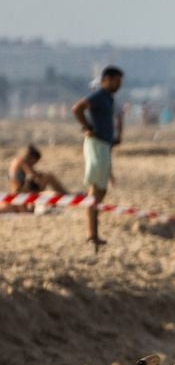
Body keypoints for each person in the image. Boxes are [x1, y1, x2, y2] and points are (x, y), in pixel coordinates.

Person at [69, 66, 123, 247]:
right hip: (96, 144)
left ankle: (94, 232)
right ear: (106, 79)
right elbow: (77, 109)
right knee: (95, 188)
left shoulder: (108, 98)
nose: (119, 85)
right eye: (116, 81)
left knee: (102, 188)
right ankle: (91, 233)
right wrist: (87, 127)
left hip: (105, 145)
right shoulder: (99, 95)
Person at [6, 145, 66, 212]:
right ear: (33, 158)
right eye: (35, 162)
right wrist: (40, 175)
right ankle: (65, 194)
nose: (33, 164)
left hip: (18, 191)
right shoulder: (22, 161)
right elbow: (32, 175)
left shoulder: (16, 161)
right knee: (49, 176)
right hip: (20, 192)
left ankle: (64, 194)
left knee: (46, 179)